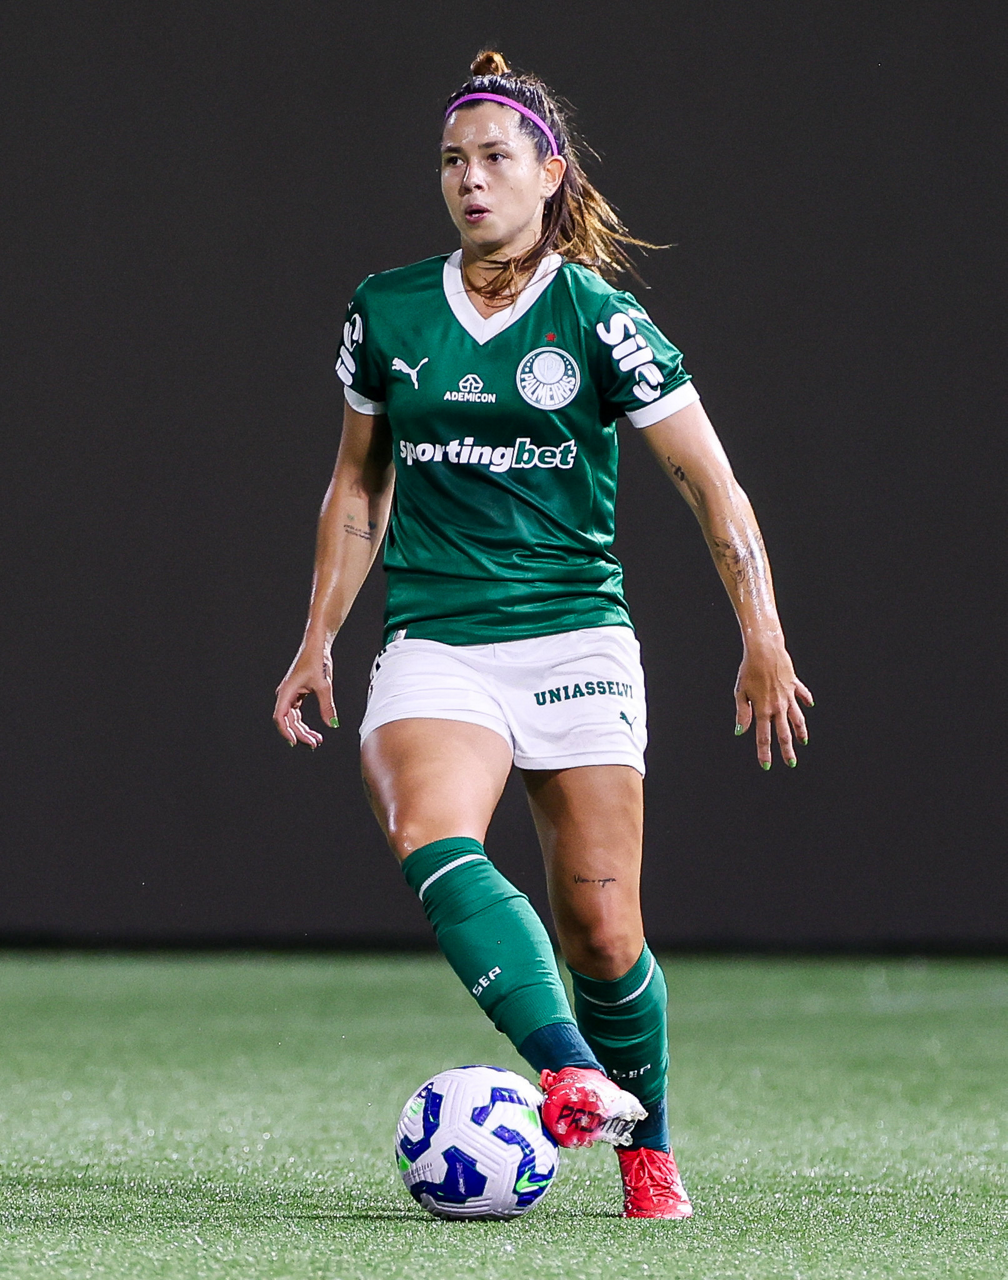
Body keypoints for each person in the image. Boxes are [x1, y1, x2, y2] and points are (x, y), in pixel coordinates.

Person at [274, 50, 813, 1219]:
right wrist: (319, 635)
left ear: (549, 172)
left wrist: (761, 633)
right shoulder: (388, 309)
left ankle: (646, 1143)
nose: (470, 179)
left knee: (603, 930)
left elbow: (711, 486)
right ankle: (569, 1068)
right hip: (438, 636)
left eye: (494, 158)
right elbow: (359, 486)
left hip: (572, 639)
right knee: (428, 828)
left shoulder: (600, 318)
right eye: (451, 161)